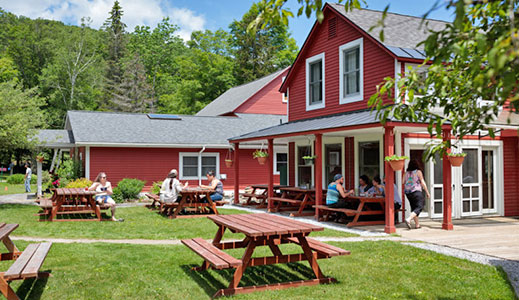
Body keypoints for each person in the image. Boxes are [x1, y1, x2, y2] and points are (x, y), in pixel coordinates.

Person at [403, 159, 430, 229]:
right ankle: (409, 219)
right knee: (420, 207)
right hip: (416, 191)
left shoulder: (406, 173)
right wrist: (427, 192)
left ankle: (417, 224)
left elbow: (403, 182)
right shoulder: (418, 172)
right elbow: (422, 182)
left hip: (408, 193)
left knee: (414, 208)